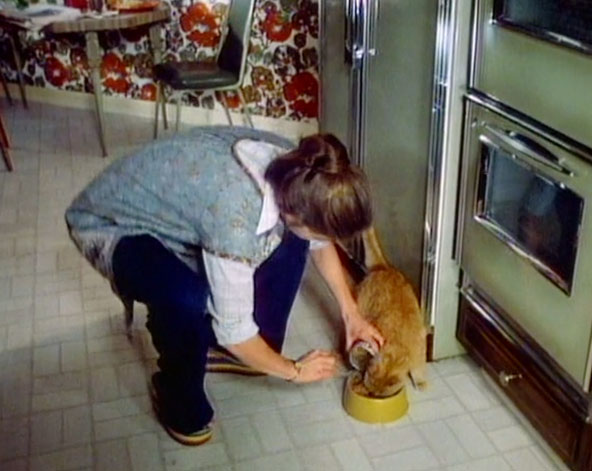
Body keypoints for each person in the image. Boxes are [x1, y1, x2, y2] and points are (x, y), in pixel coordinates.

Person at [65, 125, 384, 446]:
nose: (327, 242)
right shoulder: (234, 220)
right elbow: (235, 329)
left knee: (293, 240)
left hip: (183, 208)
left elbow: (316, 241)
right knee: (185, 297)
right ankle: (177, 397)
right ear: (292, 212)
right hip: (112, 224)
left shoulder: (303, 171)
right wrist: (295, 371)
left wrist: (351, 314)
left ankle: (239, 350)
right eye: (323, 233)